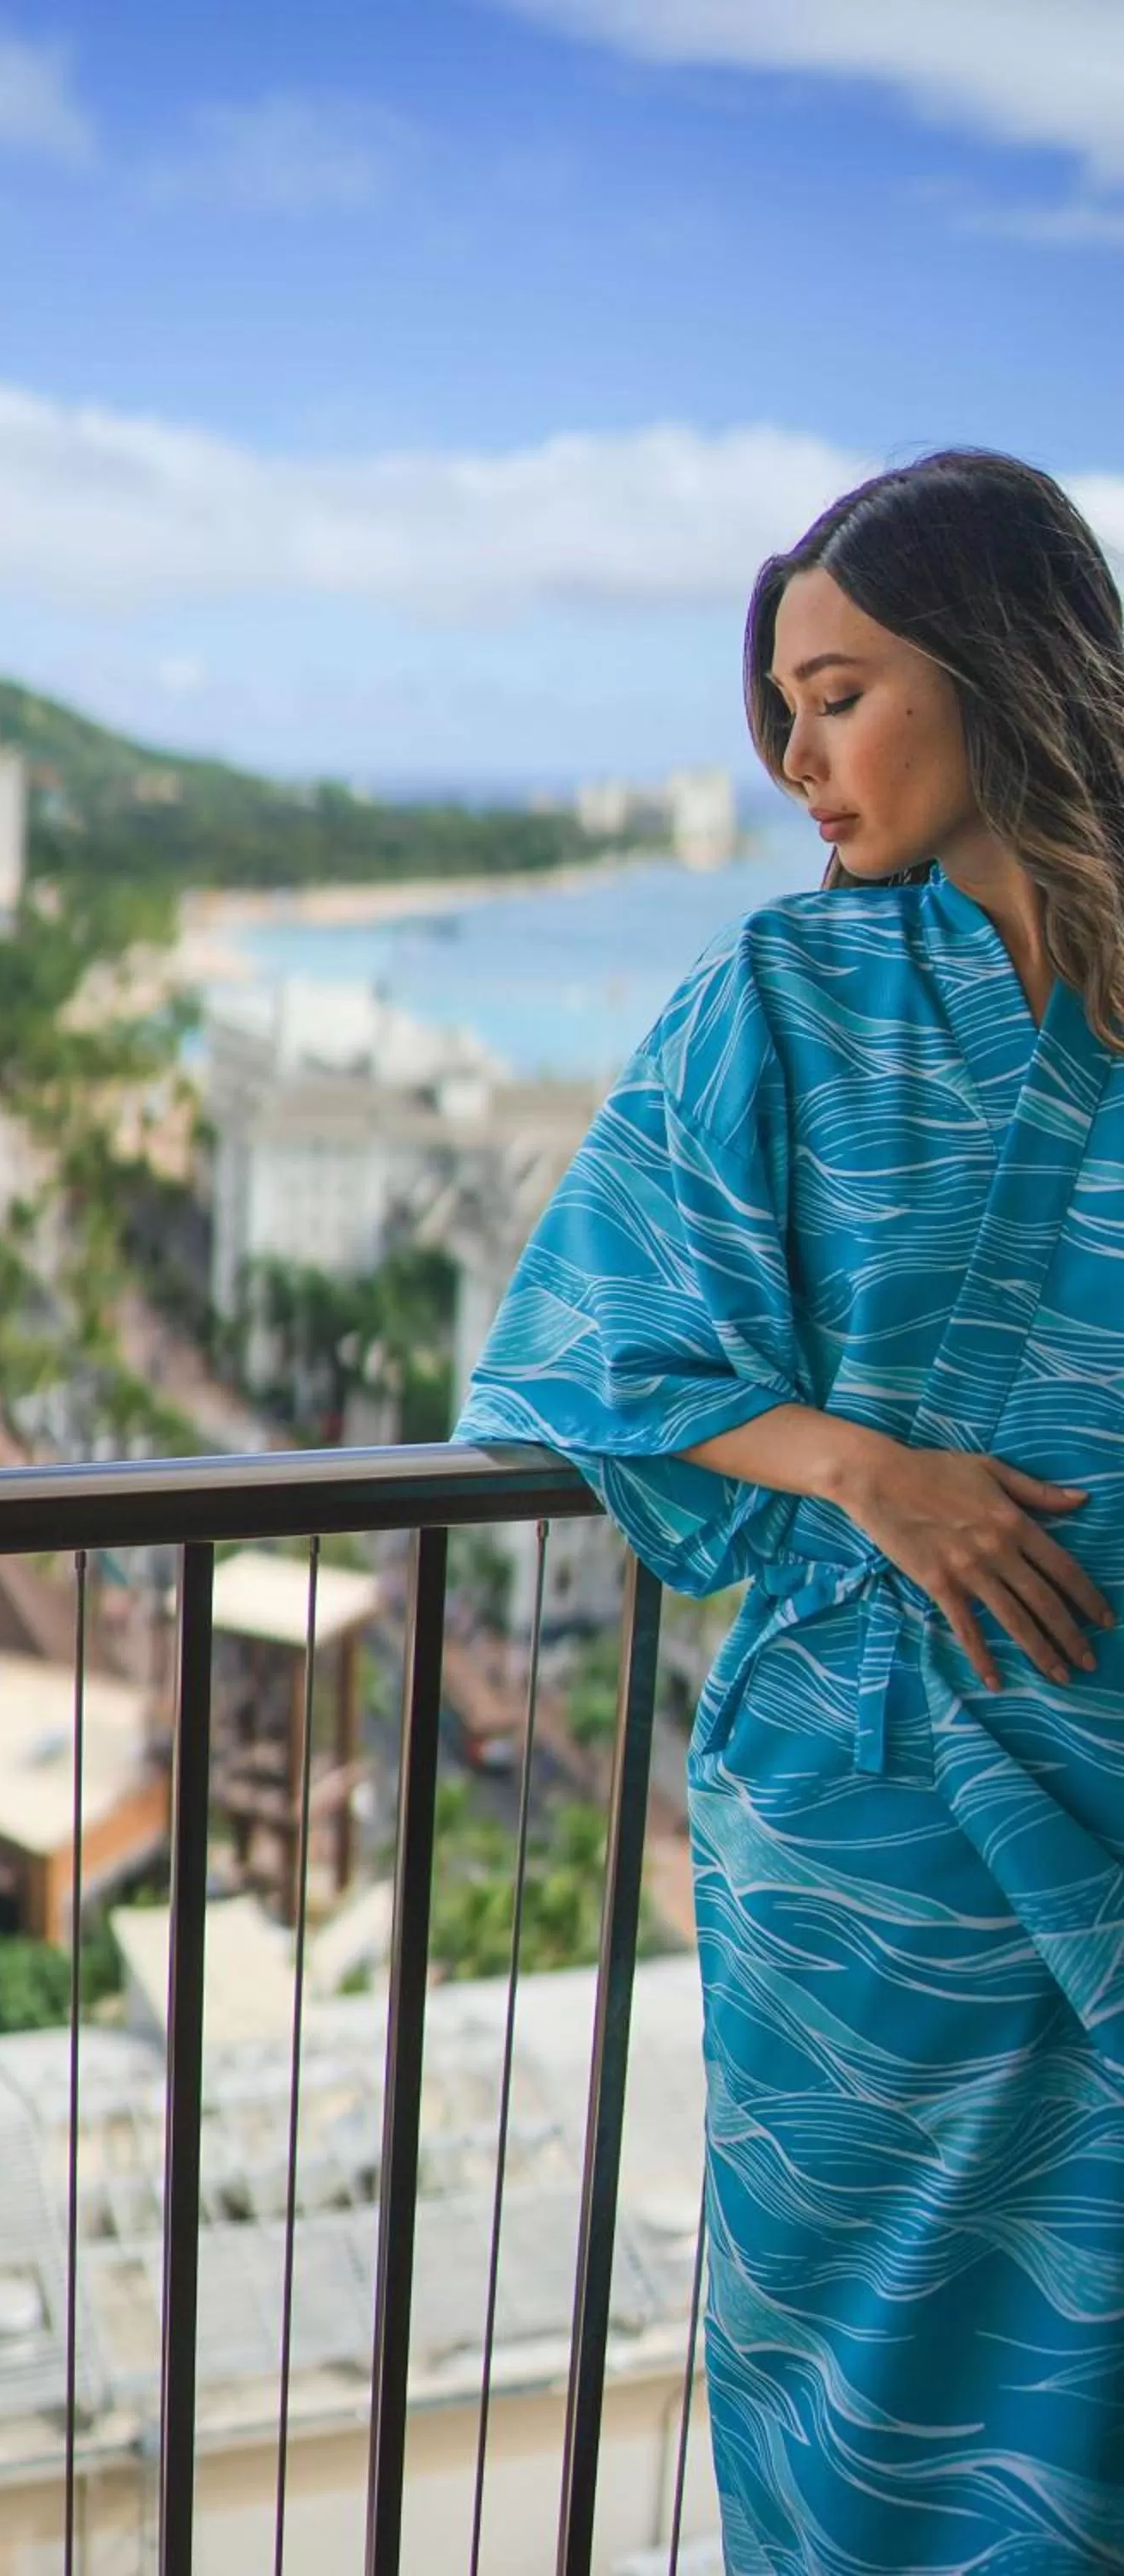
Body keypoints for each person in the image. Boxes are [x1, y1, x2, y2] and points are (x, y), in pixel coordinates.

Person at [456, 449, 1124, 2573]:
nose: (798, 761)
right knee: (850, 2413)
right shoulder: (774, 1001)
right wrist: (871, 1472)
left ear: (999, 665)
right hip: (858, 1853)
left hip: (1110, 1779)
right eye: (781, 713)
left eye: (837, 693)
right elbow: (582, 1345)